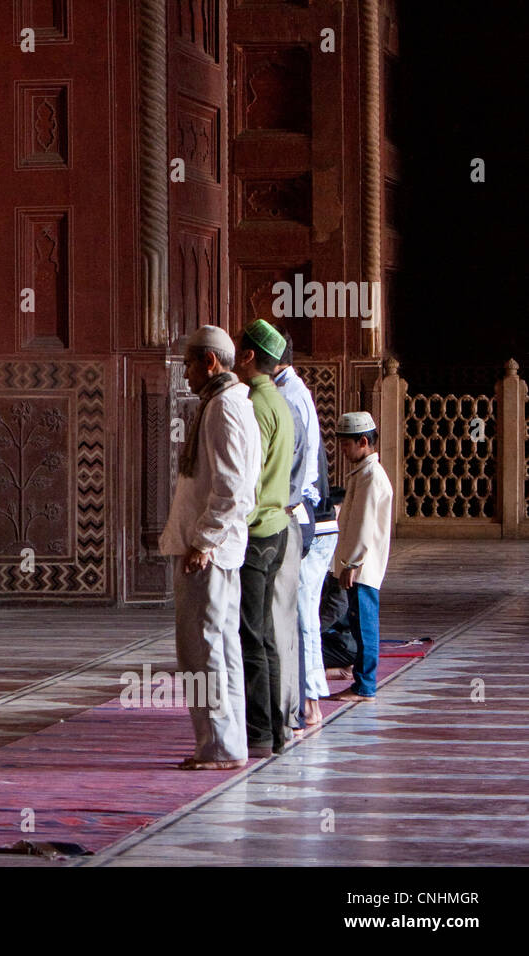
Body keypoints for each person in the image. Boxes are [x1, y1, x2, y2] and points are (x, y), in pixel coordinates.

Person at [159, 326, 260, 770]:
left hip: (210, 553)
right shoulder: (226, 403)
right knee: (219, 647)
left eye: (189, 364)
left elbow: (233, 487)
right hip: (215, 548)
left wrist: (203, 540)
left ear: (210, 362)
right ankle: (225, 743)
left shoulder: (223, 408)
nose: (186, 373)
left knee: (204, 649)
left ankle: (219, 747)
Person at [233, 319, 294, 757]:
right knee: (266, 635)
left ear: (250, 356)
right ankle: (277, 729)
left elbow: (248, 479)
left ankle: (259, 732)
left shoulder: (255, 405)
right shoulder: (281, 401)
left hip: (256, 535)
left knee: (251, 637)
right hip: (279, 530)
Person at [272, 335, 333, 730]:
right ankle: (302, 699)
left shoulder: (289, 395)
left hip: (299, 512)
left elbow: (302, 472)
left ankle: (308, 700)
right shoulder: (290, 391)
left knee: (299, 610)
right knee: (295, 609)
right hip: (300, 510)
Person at [327, 412, 393, 702]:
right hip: (356, 564)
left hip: (362, 567)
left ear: (363, 442)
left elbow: (365, 525)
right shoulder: (362, 473)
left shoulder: (371, 477)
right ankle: (361, 682)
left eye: (345, 445)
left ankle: (365, 686)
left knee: (365, 627)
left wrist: (353, 563)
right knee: (357, 623)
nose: (342, 450)